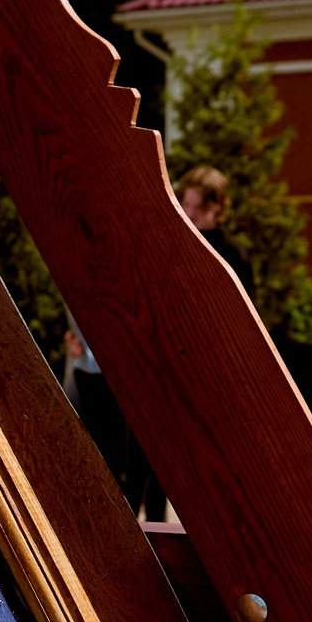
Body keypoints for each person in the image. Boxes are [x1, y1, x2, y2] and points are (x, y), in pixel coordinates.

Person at [65, 318, 164, 520]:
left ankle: (143, 526)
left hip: (130, 368)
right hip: (96, 370)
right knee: (111, 462)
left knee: (142, 461)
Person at [178, 165, 256, 297]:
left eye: (199, 207)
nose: (190, 214)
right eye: (186, 205)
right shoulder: (174, 247)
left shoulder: (233, 255)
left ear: (218, 206)